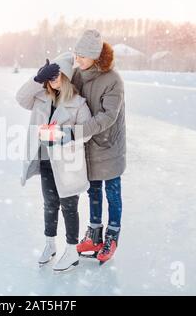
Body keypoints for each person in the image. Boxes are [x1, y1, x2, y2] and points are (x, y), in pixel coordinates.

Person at [16, 53, 92, 272]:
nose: (52, 80)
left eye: (55, 75)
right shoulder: (40, 97)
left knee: (69, 206)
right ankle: (50, 244)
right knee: (50, 204)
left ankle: (71, 250)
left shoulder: (78, 104)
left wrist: (61, 134)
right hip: (46, 161)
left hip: (67, 164)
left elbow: (86, 132)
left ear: (67, 76)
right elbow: (20, 98)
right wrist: (37, 79)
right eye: (49, 76)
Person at [70, 30, 127, 265]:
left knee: (112, 191)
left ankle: (112, 235)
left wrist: (77, 132)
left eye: (82, 56)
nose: (78, 60)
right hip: (88, 145)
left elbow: (108, 116)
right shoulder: (77, 74)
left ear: (95, 56)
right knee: (92, 190)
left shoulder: (113, 79)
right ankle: (94, 234)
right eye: (76, 55)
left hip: (109, 144)